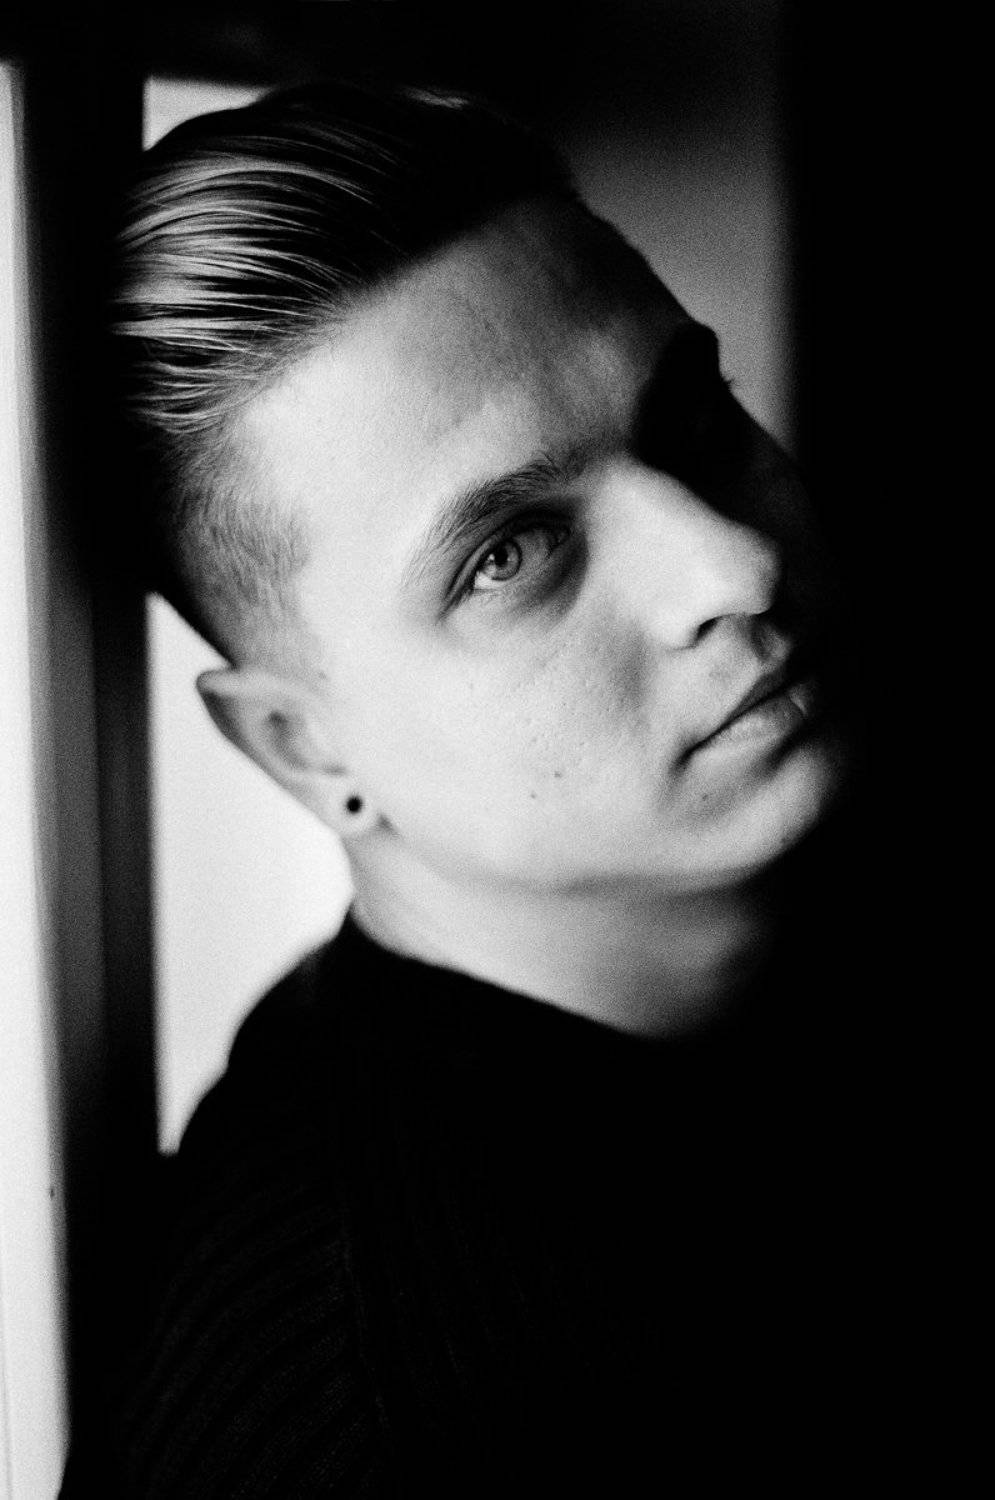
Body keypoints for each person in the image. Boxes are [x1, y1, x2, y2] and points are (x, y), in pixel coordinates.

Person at [63, 79, 868, 1496]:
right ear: (305, 750)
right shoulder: (397, 1414)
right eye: (511, 554)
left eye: (691, 417)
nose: (733, 566)